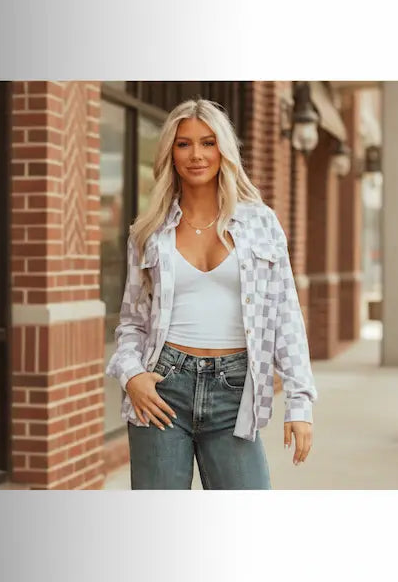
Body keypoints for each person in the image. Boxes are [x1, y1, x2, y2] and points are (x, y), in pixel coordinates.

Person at [105, 98, 317, 490]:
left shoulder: (260, 223)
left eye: (208, 142)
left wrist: (299, 402)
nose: (196, 154)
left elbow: (286, 314)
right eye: (184, 144)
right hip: (162, 388)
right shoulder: (149, 231)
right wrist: (132, 375)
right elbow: (132, 323)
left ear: (224, 150)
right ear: (171, 152)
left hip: (234, 392)